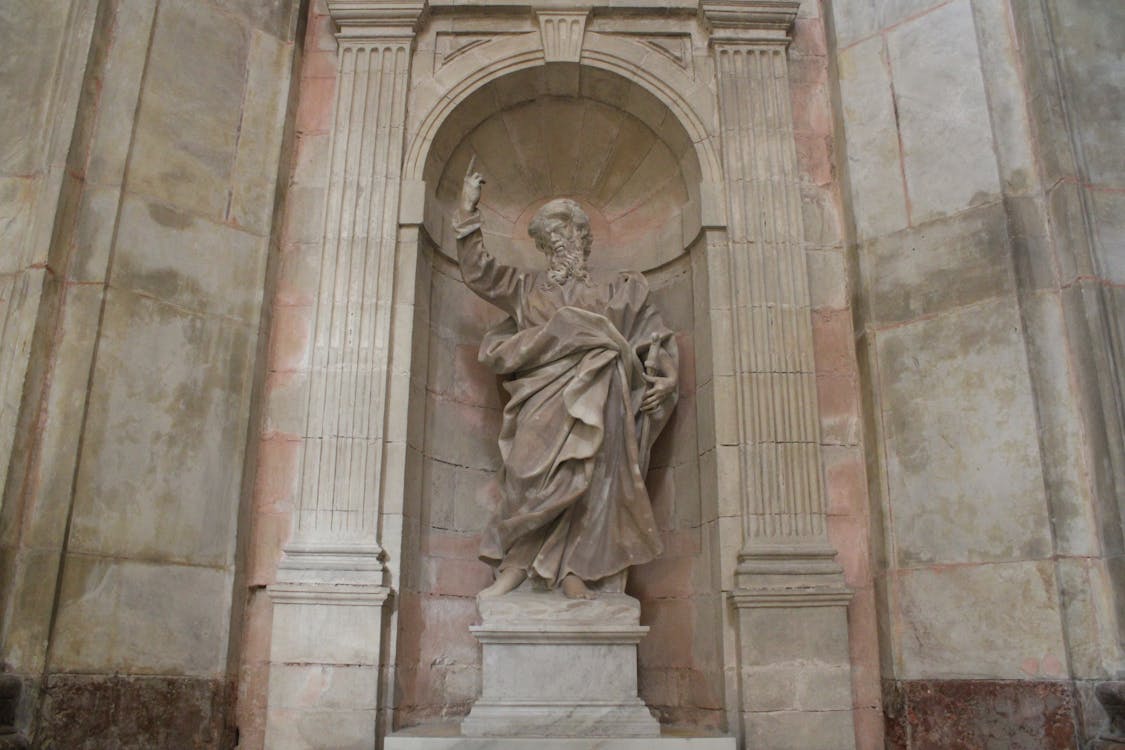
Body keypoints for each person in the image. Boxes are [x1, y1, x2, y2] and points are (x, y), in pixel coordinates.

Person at [454, 157, 678, 600]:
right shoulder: (525, 288)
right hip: (541, 397)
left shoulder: (618, 290)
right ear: (542, 245)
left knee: (594, 478)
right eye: (551, 234)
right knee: (526, 474)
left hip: (604, 393)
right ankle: (518, 563)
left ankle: (577, 568)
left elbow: (655, 337)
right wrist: (468, 212)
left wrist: (665, 378)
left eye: (568, 230)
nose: (561, 239)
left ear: (583, 238)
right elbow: (480, 273)